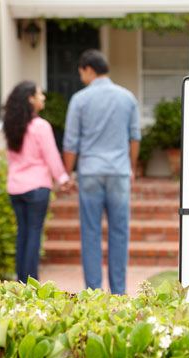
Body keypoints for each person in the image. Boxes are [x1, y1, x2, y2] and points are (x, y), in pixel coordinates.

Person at [63, 49, 141, 295]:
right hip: (119, 171)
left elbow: (70, 142)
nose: (81, 78)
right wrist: (131, 167)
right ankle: (119, 293)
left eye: (81, 73)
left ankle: (94, 295)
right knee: (120, 232)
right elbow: (135, 136)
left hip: (91, 171)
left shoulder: (80, 99)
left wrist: (67, 174)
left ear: (88, 69)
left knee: (90, 233)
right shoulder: (127, 97)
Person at [3, 81, 71, 283]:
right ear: (30, 99)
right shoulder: (41, 126)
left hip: (15, 187)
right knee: (34, 234)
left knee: (22, 234)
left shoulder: (10, 126)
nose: (43, 98)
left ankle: (21, 283)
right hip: (37, 188)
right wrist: (63, 179)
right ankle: (31, 284)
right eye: (40, 94)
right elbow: (51, 157)